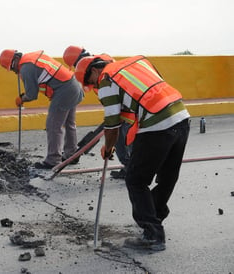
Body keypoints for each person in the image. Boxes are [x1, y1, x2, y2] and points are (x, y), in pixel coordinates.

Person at [75, 55, 190, 251]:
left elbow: (112, 125)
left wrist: (109, 147)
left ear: (94, 71)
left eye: (90, 82)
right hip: (181, 117)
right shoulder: (135, 64)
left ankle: (153, 235)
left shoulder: (107, 80)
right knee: (168, 176)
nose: (94, 87)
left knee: (136, 180)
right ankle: (155, 214)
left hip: (157, 125)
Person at [0, 49, 84, 169]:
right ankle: (72, 154)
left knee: (53, 125)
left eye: (12, 68)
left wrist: (22, 99)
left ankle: (53, 160)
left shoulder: (26, 68)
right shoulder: (31, 58)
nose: (14, 72)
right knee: (69, 123)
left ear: (14, 61)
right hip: (73, 85)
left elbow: (32, 94)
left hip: (64, 91)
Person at [63, 45, 130, 179]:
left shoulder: (96, 72)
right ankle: (129, 168)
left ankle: (131, 170)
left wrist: (114, 119)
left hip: (126, 107)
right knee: (119, 136)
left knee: (121, 137)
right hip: (125, 102)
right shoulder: (104, 59)